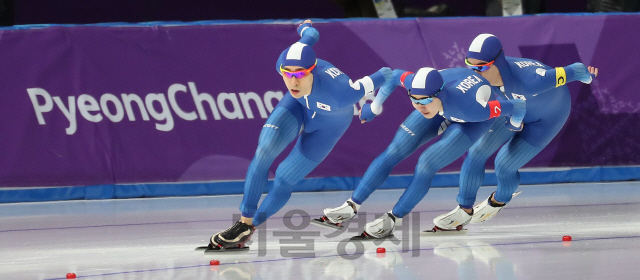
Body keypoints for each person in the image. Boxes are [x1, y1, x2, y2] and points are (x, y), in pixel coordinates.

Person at [206, 20, 393, 250]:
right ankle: (243, 223)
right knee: (264, 150)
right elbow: (311, 35)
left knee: (285, 178)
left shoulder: (342, 92)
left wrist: (371, 109)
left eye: (301, 74)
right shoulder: (284, 61)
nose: (293, 80)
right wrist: (304, 26)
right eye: (288, 74)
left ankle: (252, 226)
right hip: (297, 107)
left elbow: (386, 74)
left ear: (312, 70)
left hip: (328, 127)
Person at [313, 66, 527, 238]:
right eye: (414, 99)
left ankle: (393, 219)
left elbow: (517, 105)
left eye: (424, 100)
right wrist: (375, 107)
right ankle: (351, 205)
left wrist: (515, 124)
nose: (419, 105)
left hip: (469, 119)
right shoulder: (417, 87)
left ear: (438, 94)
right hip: (444, 105)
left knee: (426, 163)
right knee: (394, 150)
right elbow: (392, 74)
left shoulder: (473, 110)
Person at [432, 33, 598, 229]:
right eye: (470, 65)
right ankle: (463, 210)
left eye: (481, 67)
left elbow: (576, 69)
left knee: (504, 165)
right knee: (476, 152)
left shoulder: (532, 80)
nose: (475, 73)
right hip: (512, 108)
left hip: (547, 118)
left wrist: (587, 77)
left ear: (497, 63)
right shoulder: (476, 79)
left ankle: (499, 200)